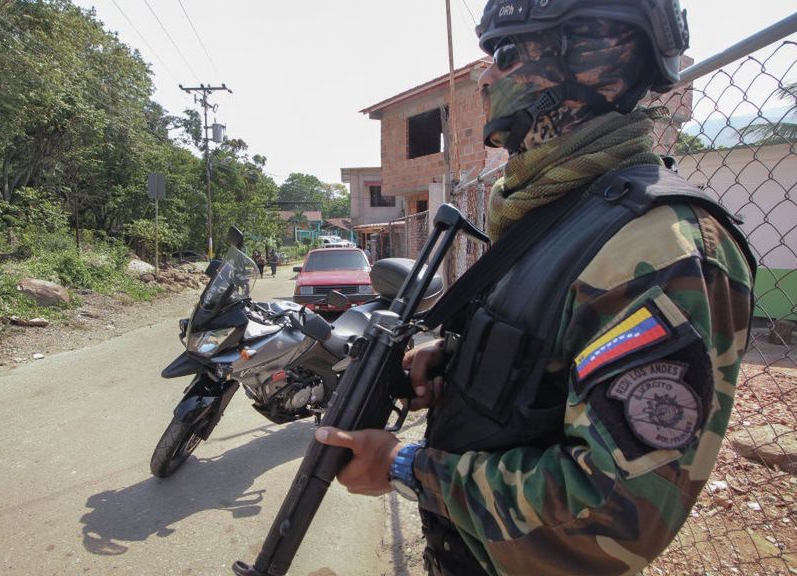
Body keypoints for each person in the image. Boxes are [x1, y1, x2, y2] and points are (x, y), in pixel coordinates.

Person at [314, 2, 756, 575]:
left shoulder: (656, 247)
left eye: (505, 54)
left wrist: (404, 466)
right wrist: (449, 358)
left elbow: (612, 509)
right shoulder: (561, 210)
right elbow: (547, 355)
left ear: (586, 59)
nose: (485, 76)